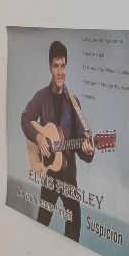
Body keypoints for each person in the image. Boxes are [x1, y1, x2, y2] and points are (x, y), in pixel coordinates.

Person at [20, 41, 95, 241]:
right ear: (50, 67)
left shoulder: (74, 103)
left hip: (69, 176)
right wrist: (38, 137)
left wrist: (88, 149)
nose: (60, 72)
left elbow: (82, 141)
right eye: (56, 66)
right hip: (49, 174)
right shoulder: (41, 97)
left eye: (63, 66)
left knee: (74, 227)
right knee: (42, 223)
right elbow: (25, 119)